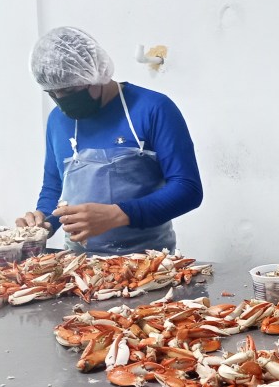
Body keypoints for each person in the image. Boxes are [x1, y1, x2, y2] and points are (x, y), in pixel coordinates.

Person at [16, 26, 203, 254]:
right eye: (53, 93)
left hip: (147, 262)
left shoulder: (153, 108)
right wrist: (43, 221)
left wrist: (118, 214)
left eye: (70, 91)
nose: (62, 101)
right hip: (78, 262)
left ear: (96, 73)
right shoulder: (57, 120)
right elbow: (55, 187)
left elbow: (187, 189)